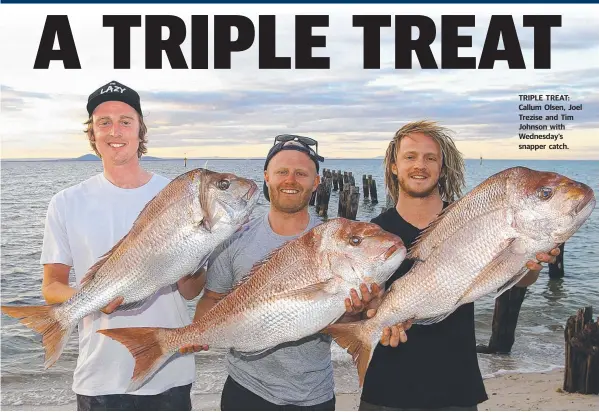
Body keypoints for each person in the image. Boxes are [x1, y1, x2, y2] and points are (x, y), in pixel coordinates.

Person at [182, 134, 407, 411]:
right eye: (282, 172)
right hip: (244, 390)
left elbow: (340, 321)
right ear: (267, 176)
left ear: (316, 182)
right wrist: (196, 335)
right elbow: (211, 299)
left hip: (314, 396)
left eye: (301, 173)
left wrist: (359, 310)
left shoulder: (332, 241)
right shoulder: (235, 238)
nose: (290, 180)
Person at [359, 120, 560, 411]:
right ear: (393, 166)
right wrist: (368, 314)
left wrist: (533, 264)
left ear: (441, 168)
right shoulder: (372, 233)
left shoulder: (471, 219)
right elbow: (356, 303)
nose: (420, 165)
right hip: (387, 389)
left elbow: (513, 278)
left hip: (455, 387)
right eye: (410, 156)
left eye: (431, 158)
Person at [40, 80, 206, 411]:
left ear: (139, 131)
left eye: (125, 122)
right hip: (99, 376)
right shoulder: (66, 202)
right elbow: (52, 286)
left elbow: (190, 292)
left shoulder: (178, 195)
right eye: (104, 122)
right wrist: (93, 299)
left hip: (168, 371)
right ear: (93, 134)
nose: (115, 130)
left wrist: (194, 257)